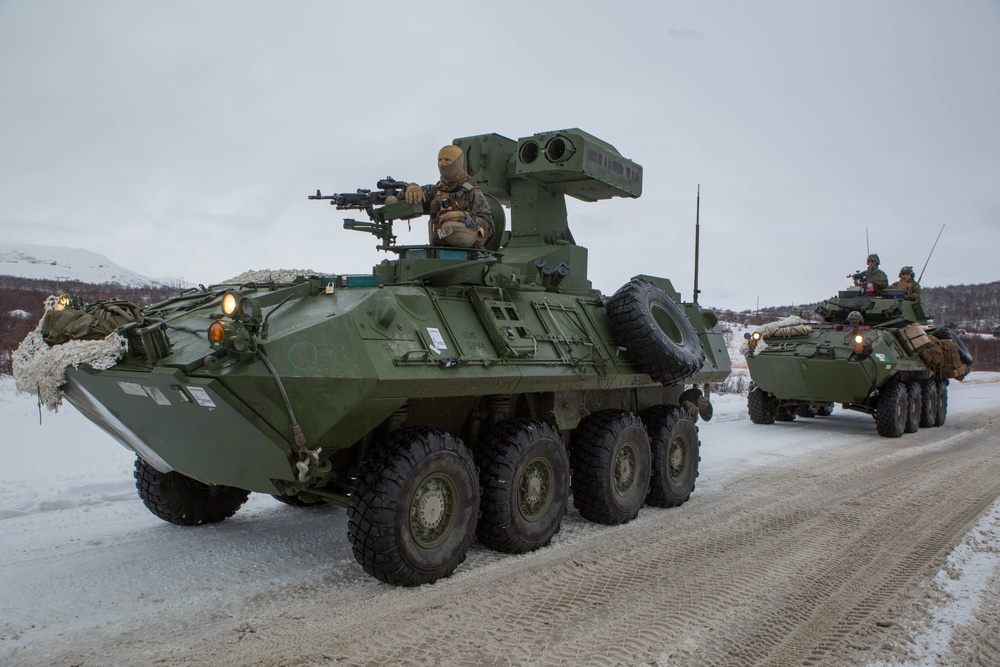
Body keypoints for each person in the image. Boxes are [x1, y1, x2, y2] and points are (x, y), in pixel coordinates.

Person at [402, 146, 494, 249]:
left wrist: (462, 217)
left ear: (457, 163)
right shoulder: (435, 191)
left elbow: (489, 227)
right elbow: (404, 199)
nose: (442, 163)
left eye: (447, 160)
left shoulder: (472, 192)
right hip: (437, 251)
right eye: (440, 160)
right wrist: (411, 187)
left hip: (468, 254)